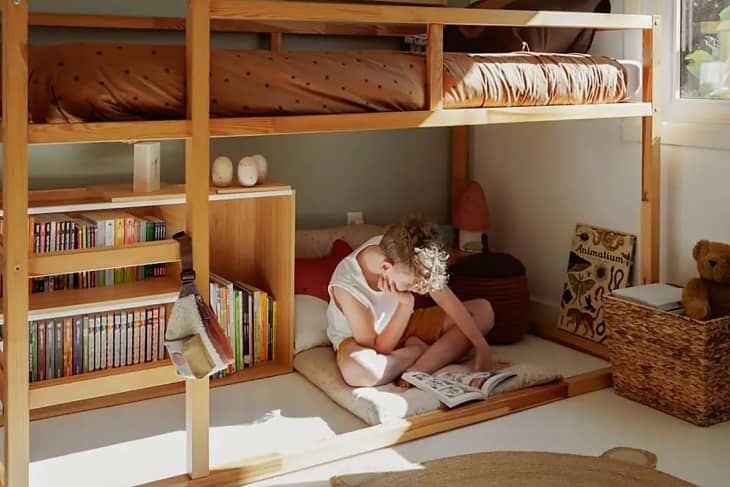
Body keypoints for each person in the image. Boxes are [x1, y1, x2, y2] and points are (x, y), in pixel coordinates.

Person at [326, 215, 499, 387]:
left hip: (407, 323)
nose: (415, 291)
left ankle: (417, 371)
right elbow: (378, 349)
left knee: (483, 311)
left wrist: (482, 347)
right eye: (411, 285)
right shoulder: (347, 285)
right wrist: (405, 304)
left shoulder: (402, 250)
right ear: (386, 267)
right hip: (363, 342)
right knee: (359, 372)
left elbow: (445, 298)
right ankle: (416, 352)